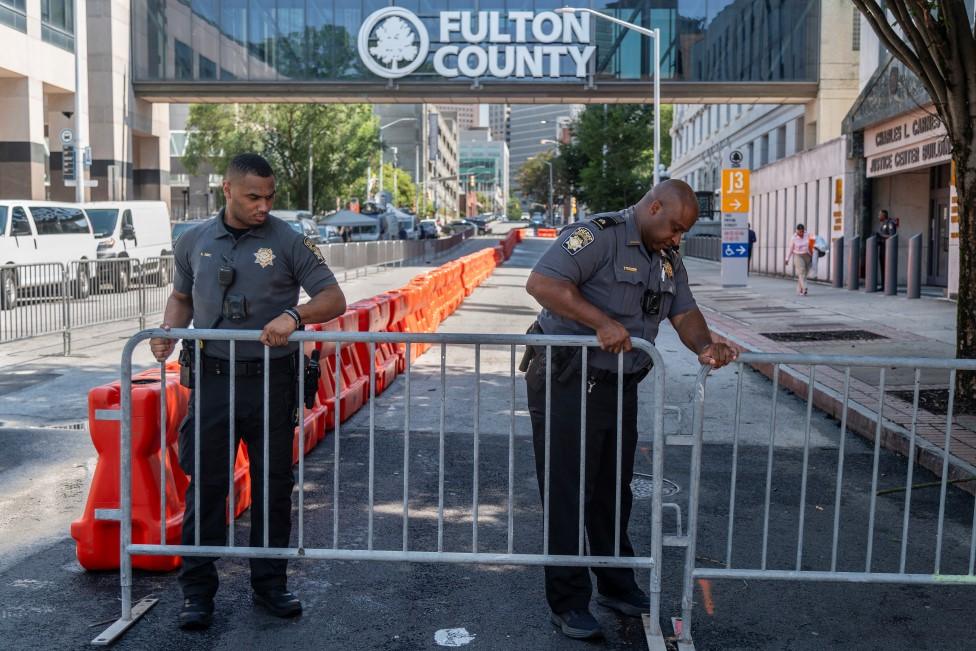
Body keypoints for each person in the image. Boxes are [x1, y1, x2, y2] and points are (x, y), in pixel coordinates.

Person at [523, 180, 738, 640]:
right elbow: (542, 283)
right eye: (676, 228)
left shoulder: (667, 258)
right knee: (568, 493)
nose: (678, 238)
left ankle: (615, 583)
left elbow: (684, 312)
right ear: (654, 207)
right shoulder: (597, 236)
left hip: (619, 384)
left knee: (612, 490)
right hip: (567, 380)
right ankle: (567, 601)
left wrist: (706, 346)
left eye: (683, 232)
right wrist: (602, 323)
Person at [149, 153, 347, 630]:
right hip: (214, 382)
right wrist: (167, 332)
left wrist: (294, 316)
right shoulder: (192, 239)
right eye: (253, 196)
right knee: (207, 487)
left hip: (271, 382)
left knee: (273, 488)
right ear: (228, 190)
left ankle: (270, 586)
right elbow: (181, 297)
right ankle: (197, 594)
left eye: (269, 197)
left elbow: (333, 298)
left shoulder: (289, 240)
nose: (263, 205)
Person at [785, 223, 812, 295]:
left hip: (807, 255)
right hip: (798, 255)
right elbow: (790, 249)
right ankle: (804, 288)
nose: (801, 233)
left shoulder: (808, 235)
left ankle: (800, 289)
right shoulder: (794, 238)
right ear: (797, 231)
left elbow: (812, 244)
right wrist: (787, 259)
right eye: (799, 232)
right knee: (801, 271)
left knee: (805, 273)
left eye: (802, 231)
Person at [877, 209, 898, 277]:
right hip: (882, 247)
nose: (878, 216)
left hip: (887, 249)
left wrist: (881, 235)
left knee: (887, 267)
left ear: (884, 215)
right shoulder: (883, 224)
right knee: (883, 267)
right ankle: (883, 285)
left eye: (880, 215)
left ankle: (887, 285)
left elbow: (892, 236)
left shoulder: (890, 223)